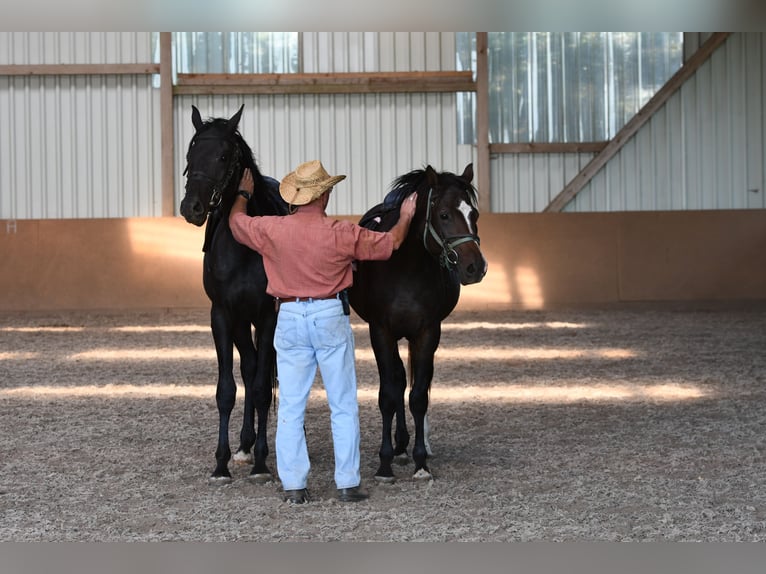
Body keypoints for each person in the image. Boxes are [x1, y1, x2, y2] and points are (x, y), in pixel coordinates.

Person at [229, 159, 416, 504]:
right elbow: (392, 243)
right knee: (342, 403)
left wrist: (243, 193)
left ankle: (294, 487)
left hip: (288, 315)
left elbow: (236, 223)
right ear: (325, 195)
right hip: (329, 313)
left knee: (291, 405)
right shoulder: (341, 233)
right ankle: (347, 483)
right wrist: (405, 214)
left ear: (295, 197)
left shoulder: (272, 229)